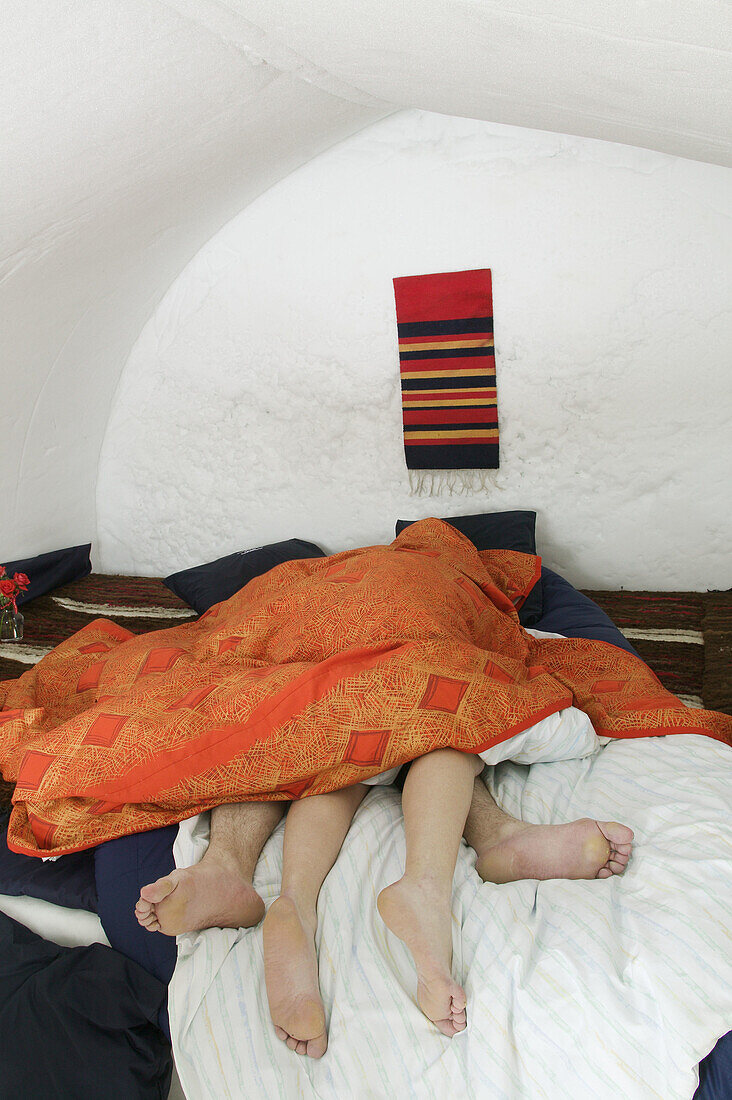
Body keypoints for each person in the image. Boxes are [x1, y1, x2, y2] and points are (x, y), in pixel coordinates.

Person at [135, 758, 633, 1058]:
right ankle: (461, 860)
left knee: (320, 743)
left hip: (323, 658)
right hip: (402, 642)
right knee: (442, 722)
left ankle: (285, 896)